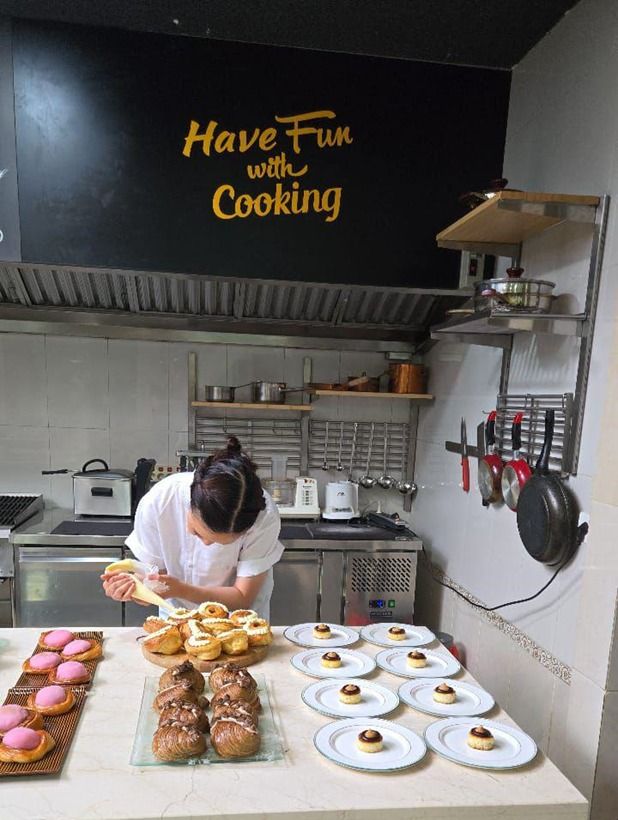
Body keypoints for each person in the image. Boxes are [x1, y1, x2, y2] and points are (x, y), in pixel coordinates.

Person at [100, 436, 283, 620]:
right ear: (190, 503)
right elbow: (157, 587)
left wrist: (181, 590)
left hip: (240, 623)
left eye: (222, 543)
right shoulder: (159, 503)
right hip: (176, 619)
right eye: (197, 532)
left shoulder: (263, 515)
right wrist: (137, 589)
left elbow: (243, 597)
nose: (206, 544)